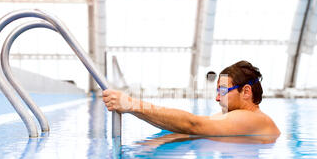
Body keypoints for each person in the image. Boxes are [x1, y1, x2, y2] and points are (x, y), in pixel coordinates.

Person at [102, 60, 281, 137]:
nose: (218, 98)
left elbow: (193, 125)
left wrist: (132, 104)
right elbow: (186, 126)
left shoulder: (251, 118)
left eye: (223, 91)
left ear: (246, 92)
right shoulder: (236, 118)